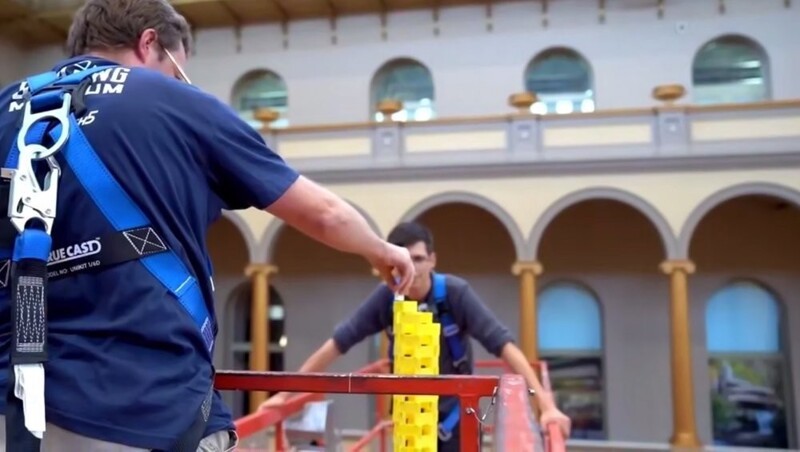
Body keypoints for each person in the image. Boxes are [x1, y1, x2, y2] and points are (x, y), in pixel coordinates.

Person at [0, 1, 415, 451]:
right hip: (143, 405)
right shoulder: (175, 101)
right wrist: (381, 250)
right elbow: (324, 213)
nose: (178, 79)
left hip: (13, 403)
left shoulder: (6, 105)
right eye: (177, 69)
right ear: (149, 43)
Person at [261, 221, 571, 451]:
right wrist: (285, 395)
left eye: (419, 259)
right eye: (403, 261)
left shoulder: (455, 294)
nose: (412, 269)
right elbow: (337, 343)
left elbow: (505, 347)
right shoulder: (386, 298)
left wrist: (546, 406)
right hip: (409, 422)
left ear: (432, 260)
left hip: (456, 421)